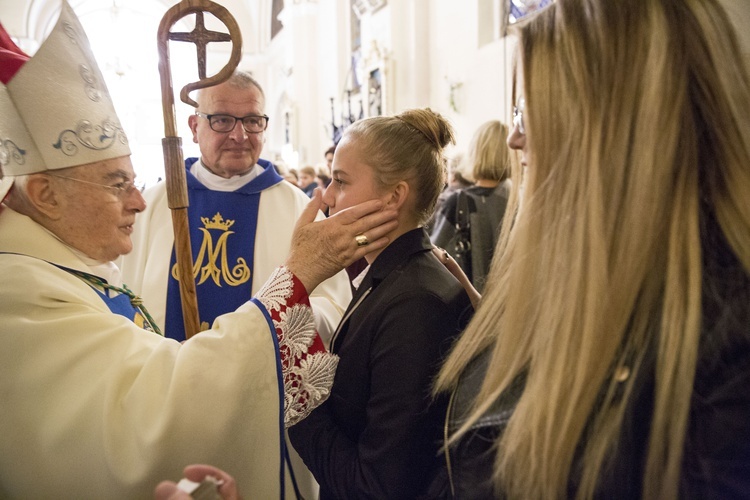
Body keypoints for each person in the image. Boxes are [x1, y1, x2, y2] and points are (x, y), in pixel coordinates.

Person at [0, 4, 398, 498]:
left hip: (266, 426)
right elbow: (148, 400)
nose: (239, 134)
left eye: (252, 121)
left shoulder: (294, 207)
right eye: (223, 120)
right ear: (192, 127)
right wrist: (288, 288)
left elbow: (336, 312)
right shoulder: (32, 287)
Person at [433, 0, 750, 498]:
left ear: (611, 121)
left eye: (527, 109)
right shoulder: (574, 274)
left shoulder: (724, 345)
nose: (515, 137)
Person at [288, 108, 474, 499]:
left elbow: (378, 486)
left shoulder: (415, 303)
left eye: (340, 181)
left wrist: (298, 400)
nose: (327, 198)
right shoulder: (394, 276)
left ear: (394, 196)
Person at [430, 120, 512, 292]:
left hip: (470, 305)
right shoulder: (518, 201)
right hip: (509, 303)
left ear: (476, 152)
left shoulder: (458, 202)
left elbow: (433, 258)